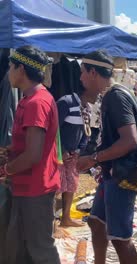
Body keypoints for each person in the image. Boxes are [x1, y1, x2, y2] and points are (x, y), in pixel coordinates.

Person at [76, 50, 137, 264]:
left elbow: (130, 140)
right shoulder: (111, 95)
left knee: (121, 239)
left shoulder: (116, 96)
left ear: (93, 72)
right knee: (96, 221)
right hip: (111, 173)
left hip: (120, 176)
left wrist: (93, 158)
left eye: (82, 72)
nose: (80, 78)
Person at [1, 46, 61, 263]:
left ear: (21, 69)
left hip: (35, 189)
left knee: (40, 250)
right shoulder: (29, 99)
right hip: (25, 186)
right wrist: (10, 151)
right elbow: (31, 147)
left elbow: (33, 155)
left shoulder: (37, 102)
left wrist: (6, 169)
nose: (8, 71)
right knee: (20, 248)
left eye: (10, 66)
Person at [56, 85, 96, 228]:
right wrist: (62, 150)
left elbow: (86, 132)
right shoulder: (66, 103)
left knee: (71, 185)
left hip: (73, 154)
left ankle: (65, 218)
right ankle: (51, 223)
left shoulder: (87, 109)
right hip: (59, 154)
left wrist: (79, 150)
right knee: (56, 186)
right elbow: (53, 128)